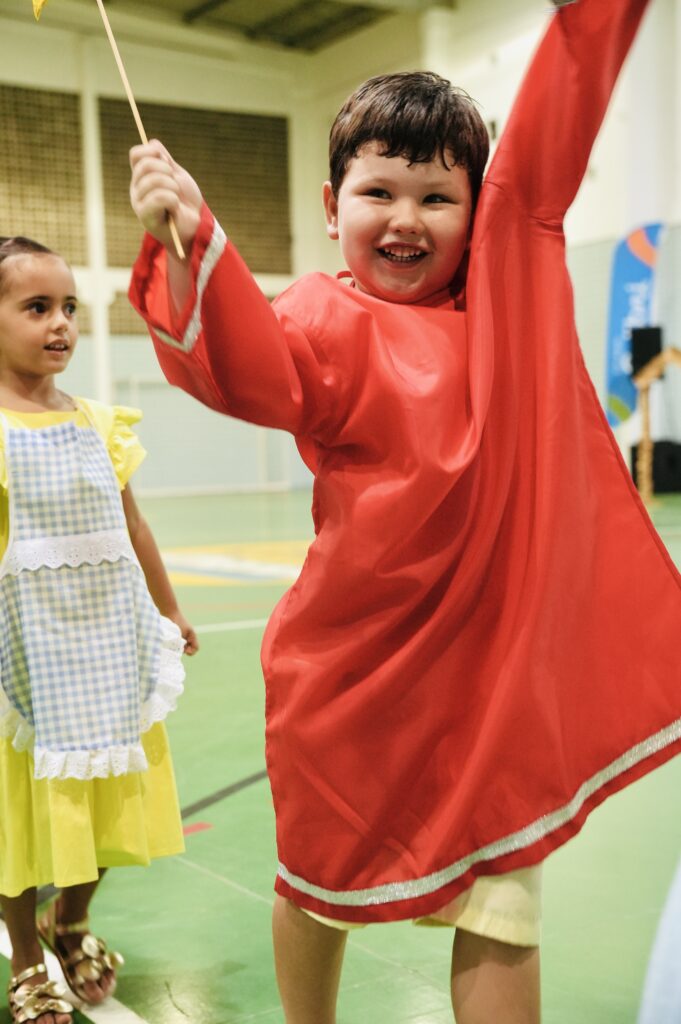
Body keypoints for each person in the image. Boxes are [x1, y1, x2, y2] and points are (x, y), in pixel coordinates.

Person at [127, 0, 681, 1020]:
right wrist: (194, 232)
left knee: (502, 901)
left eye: (439, 196)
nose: (407, 218)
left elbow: (552, 132)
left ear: (481, 211)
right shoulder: (319, 315)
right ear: (331, 205)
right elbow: (254, 369)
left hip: (489, 682)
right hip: (347, 673)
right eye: (378, 189)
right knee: (317, 884)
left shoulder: (510, 293)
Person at [0, 235, 198, 1024]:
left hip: (108, 650)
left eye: (70, 308)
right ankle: (25, 956)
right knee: (23, 820)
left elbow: (134, 526)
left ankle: (71, 917)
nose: (61, 325)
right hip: (26, 660)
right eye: (36, 307)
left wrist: (169, 607)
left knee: (115, 803)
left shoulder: (97, 421)